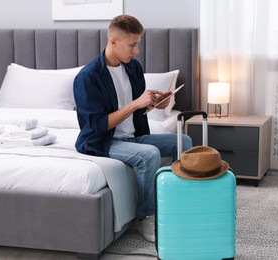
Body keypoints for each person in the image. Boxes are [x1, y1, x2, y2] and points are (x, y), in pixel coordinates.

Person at [73, 14, 192, 242]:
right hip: (101, 141)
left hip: (133, 137)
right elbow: (98, 126)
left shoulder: (133, 68)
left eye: (138, 44)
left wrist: (154, 104)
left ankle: (179, 202)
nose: (136, 51)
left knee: (183, 142)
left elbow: (135, 113)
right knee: (149, 155)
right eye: (133, 45)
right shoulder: (88, 77)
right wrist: (137, 102)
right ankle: (145, 216)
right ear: (113, 41)